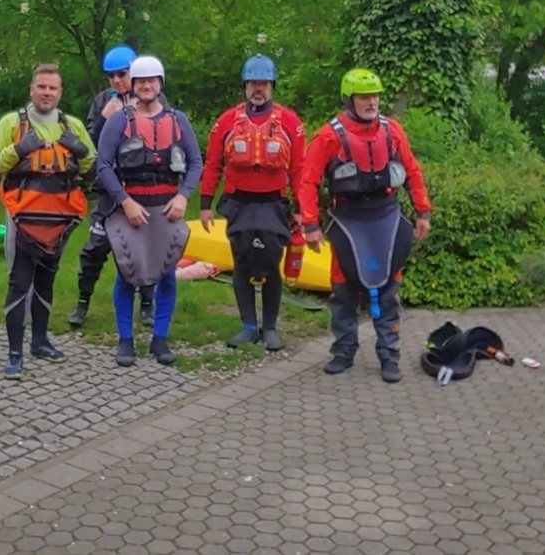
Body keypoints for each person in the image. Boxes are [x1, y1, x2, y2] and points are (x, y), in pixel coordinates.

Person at [299, 68, 432, 383]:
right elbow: (308, 181)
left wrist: (423, 212)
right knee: (343, 290)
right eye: (364, 97)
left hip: (386, 217)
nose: (372, 102)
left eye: (375, 96)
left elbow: (412, 171)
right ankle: (343, 352)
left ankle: (389, 355)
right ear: (349, 100)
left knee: (388, 291)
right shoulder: (328, 136)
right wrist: (310, 225)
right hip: (348, 220)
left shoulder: (392, 130)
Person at [0, 63, 96, 379]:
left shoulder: (73, 126)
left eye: (52, 88)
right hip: (22, 218)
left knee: (46, 281)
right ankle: (14, 353)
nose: (47, 92)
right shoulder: (11, 123)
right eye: (42, 87)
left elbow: (92, 171)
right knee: (19, 282)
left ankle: (40, 342)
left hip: (59, 220)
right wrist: (19, 149)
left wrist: (80, 150)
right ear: (31, 89)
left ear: (60, 93)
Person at [96, 55, 203, 367]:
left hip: (166, 209)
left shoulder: (178, 120)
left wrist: (183, 196)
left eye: (152, 81)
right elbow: (103, 165)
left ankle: (160, 338)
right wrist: (125, 201)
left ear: (160, 83)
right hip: (131, 211)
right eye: (141, 81)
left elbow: (195, 162)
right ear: (133, 85)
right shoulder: (119, 121)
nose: (146, 86)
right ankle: (125, 340)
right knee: (126, 273)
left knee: (166, 274)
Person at [199, 54, 305, 351]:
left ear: (272, 86)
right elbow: (213, 164)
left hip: (274, 204)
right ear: (245, 86)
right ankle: (248, 326)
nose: (258, 89)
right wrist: (205, 203)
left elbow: (300, 168)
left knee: (271, 263)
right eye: (253, 83)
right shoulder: (226, 121)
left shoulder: (289, 122)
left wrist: (301, 209)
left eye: (264, 83)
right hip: (239, 204)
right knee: (242, 262)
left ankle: (269, 327)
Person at [68, 45, 160, 328]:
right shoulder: (102, 102)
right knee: (94, 248)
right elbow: (88, 147)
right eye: (111, 76)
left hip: (142, 189)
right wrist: (105, 119)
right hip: (109, 190)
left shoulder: (152, 98)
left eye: (122, 74)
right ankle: (82, 302)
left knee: (144, 249)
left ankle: (147, 302)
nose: (118, 80)